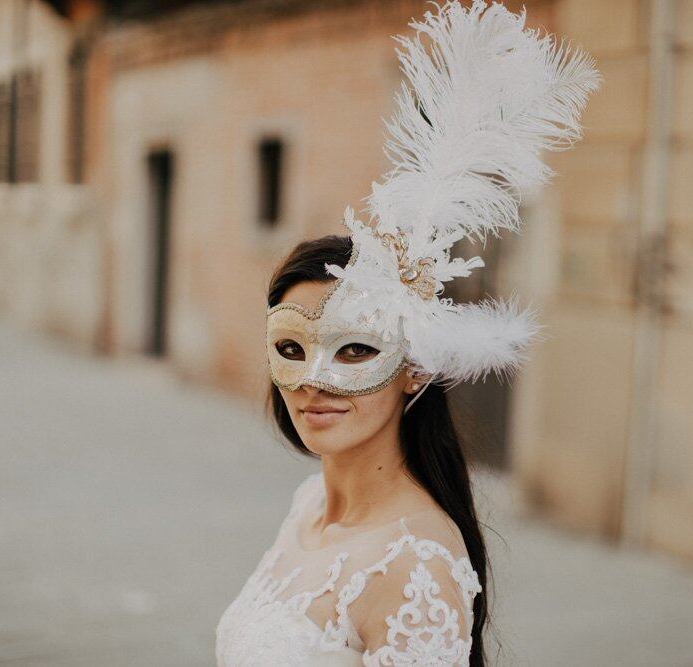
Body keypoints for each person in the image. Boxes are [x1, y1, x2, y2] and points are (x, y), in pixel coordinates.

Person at [216, 1, 599, 664]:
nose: (314, 377)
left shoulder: (415, 562)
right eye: (290, 347)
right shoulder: (312, 502)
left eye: (357, 348)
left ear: (415, 365)